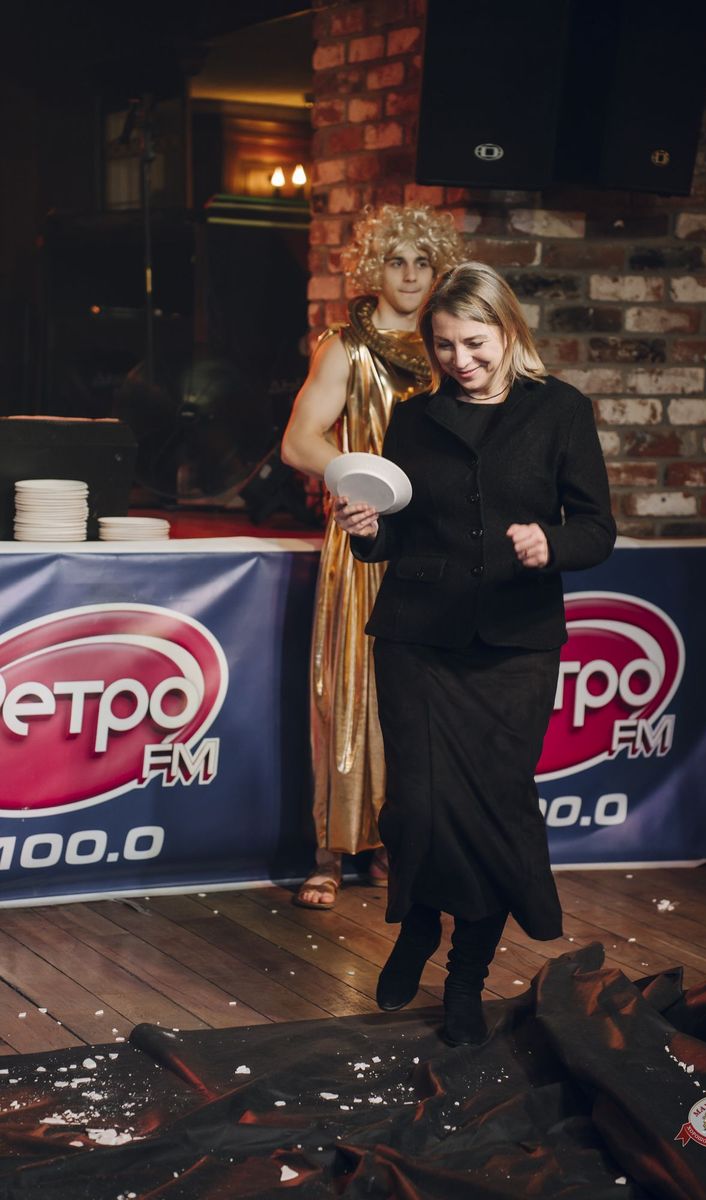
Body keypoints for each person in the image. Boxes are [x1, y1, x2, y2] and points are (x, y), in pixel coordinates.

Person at [333, 262, 616, 1045]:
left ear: (509, 330)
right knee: (419, 804)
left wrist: (551, 542)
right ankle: (419, 923)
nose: (460, 360)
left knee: (492, 813)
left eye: (475, 343)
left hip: (515, 644)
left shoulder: (560, 410)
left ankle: (465, 975)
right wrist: (367, 530)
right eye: (445, 345)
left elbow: (597, 529)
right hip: (418, 636)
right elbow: (394, 532)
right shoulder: (414, 418)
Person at [281, 204, 463, 910]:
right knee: (348, 692)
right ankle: (329, 853)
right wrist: (361, 482)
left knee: (416, 697)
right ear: (374, 267)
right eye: (397, 260)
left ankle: (396, 843)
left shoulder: (451, 347)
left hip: (433, 543)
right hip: (363, 535)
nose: (411, 275)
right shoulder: (346, 347)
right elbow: (300, 440)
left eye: (423, 261)